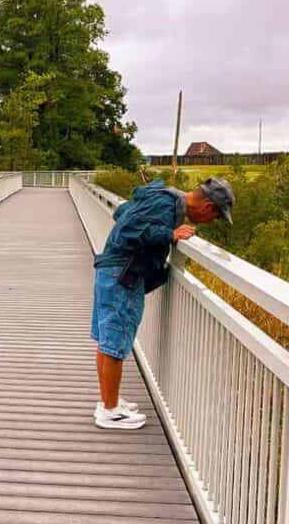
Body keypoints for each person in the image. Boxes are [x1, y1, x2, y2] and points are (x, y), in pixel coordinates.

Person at [91, 176, 235, 429]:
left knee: (107, 340)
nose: (211, 221)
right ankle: (110, 411)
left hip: (112, 271)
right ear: (208, 207)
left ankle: (109, 401)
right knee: (115, 341)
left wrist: (165, 233)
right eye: (215, 216)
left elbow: (123, 213)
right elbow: (128, 230)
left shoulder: (164, 197)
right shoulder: (166, 205)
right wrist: (169, 233)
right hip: (124, 275)